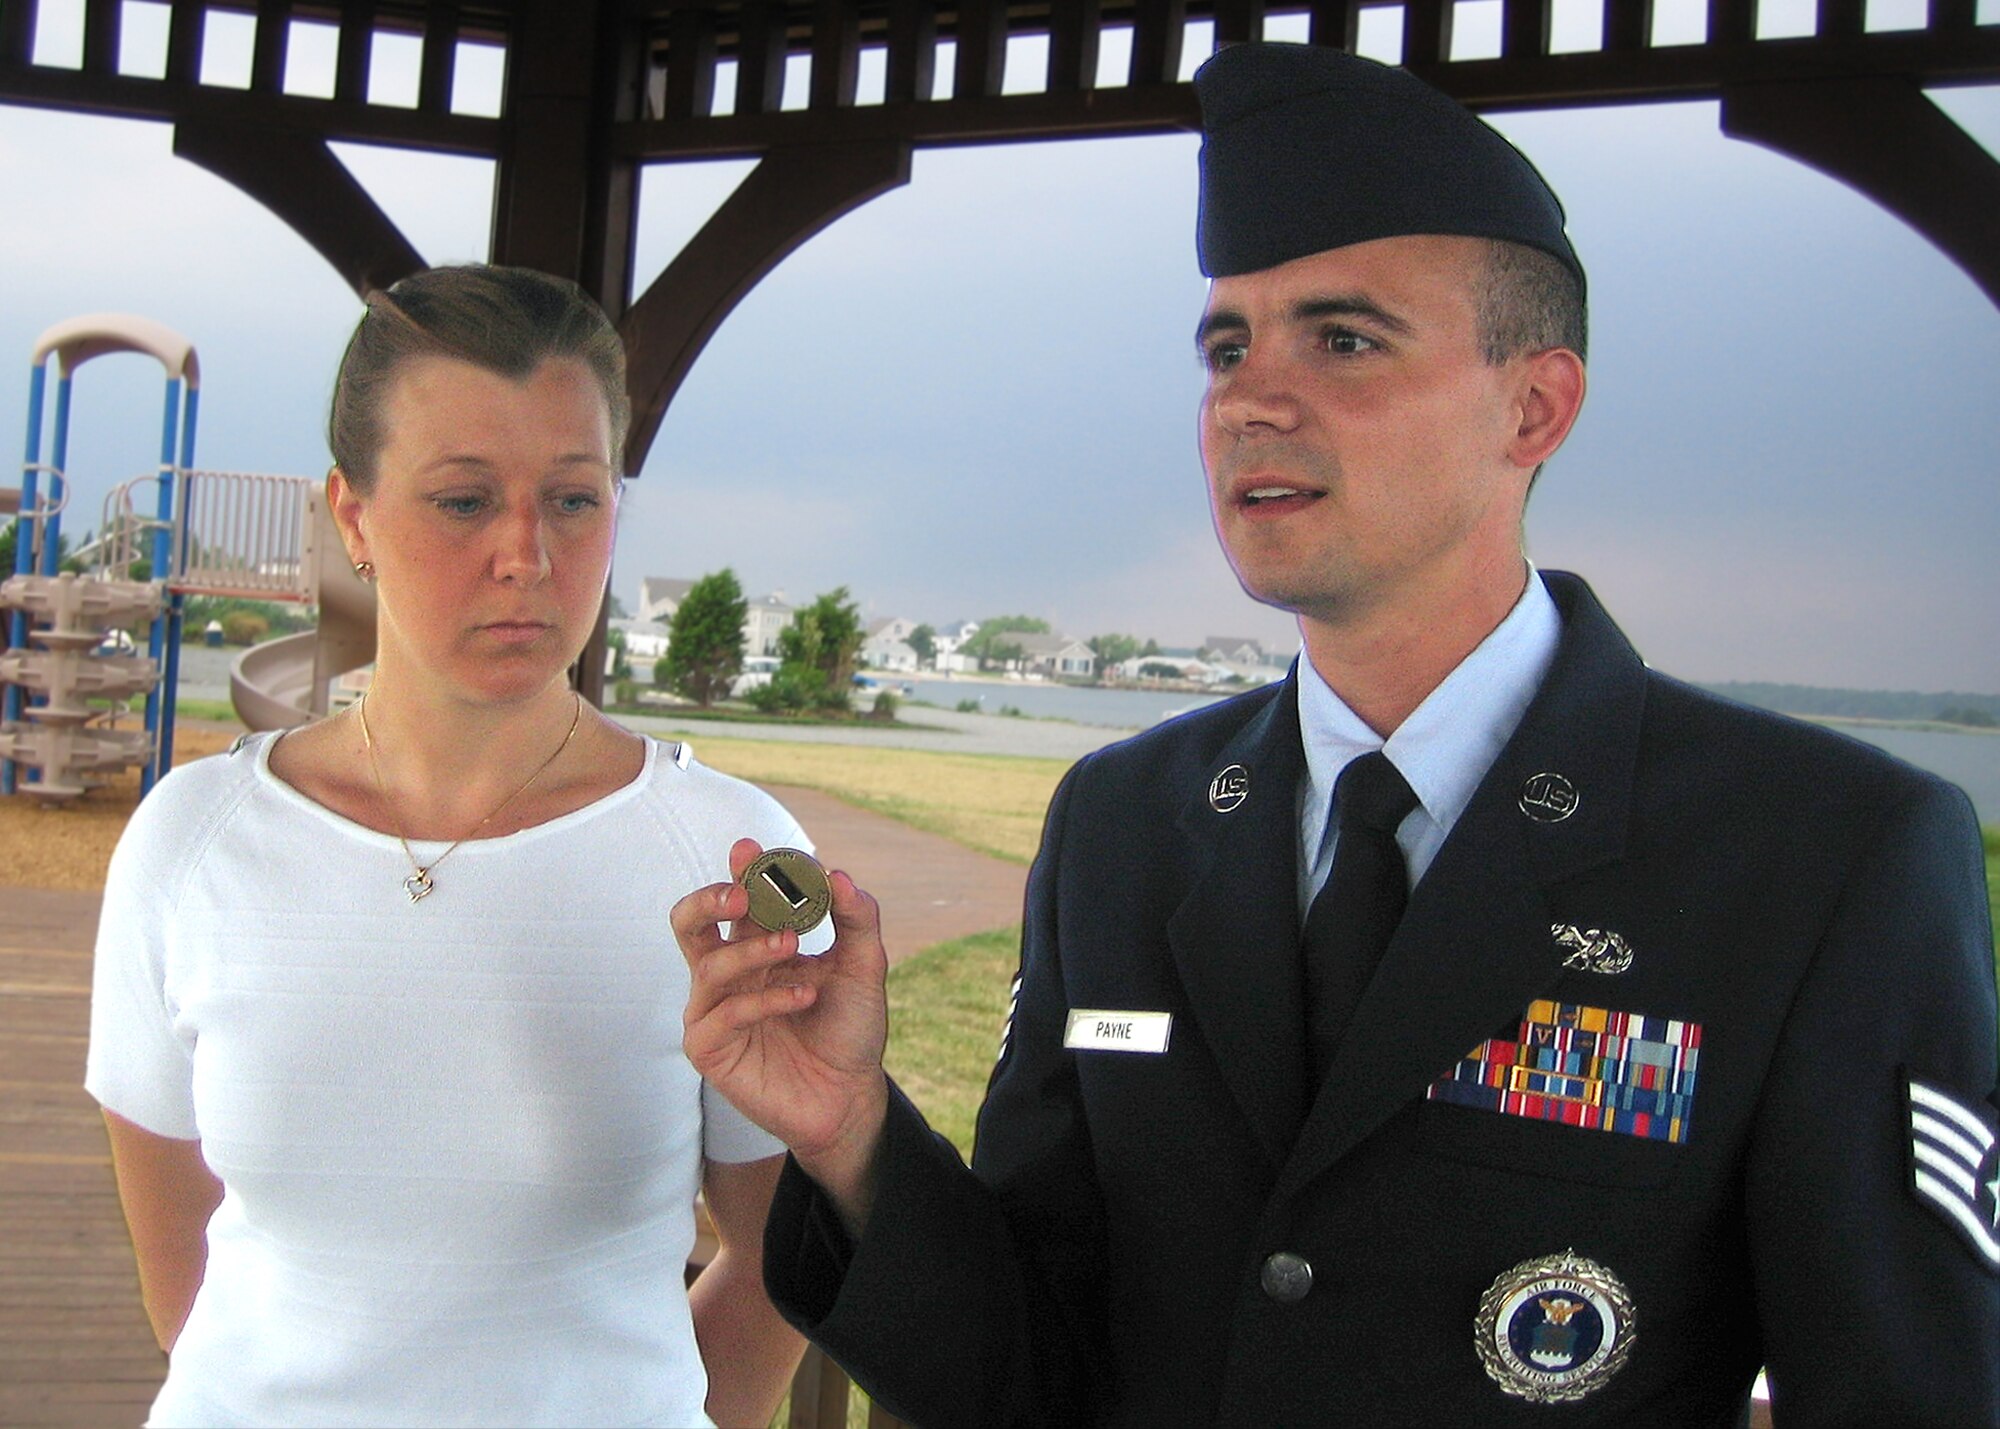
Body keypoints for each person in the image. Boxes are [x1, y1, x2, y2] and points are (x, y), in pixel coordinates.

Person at [673, 43, 2000, 1427]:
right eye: (1227, 345)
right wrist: (856, 1138)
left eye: (1343, 339)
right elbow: (1031, 1367)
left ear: (1534, 406)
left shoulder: (1818, 856)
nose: (1249, 396)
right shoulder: (1126, 824)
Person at [86, 264, 814, 1428]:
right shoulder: (190, 841)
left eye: (572, 498)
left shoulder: (746, 858)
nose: (524, 553)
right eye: (464, 500)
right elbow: (182, 1276)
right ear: (352, 515)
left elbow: (788, 1254)